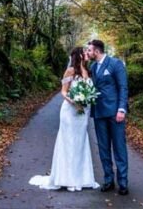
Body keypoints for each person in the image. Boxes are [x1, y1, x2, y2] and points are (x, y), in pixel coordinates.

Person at [28, 47, 100, 191]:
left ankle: (82, 178)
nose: (87, 54)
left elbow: (90, 92)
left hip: (83, 113)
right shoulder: (71, 70)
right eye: (85, 52)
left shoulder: (88, 71)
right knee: (68, 142)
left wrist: (87, 100)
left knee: (80, 143)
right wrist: (74, 101)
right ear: (79, 55)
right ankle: (66, 178)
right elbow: (63, 91)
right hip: (70, 112)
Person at [86, 39, 129, 196]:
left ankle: (123, 182)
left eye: (89, 50)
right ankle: (108, 180)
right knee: (103, 148)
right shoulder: (93, 66)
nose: (87, 53)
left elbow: (123, 87)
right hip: (99, 113)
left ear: (97, 51)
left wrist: (122, 109)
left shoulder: (115, 64)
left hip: (114, 113)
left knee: (119, 147)